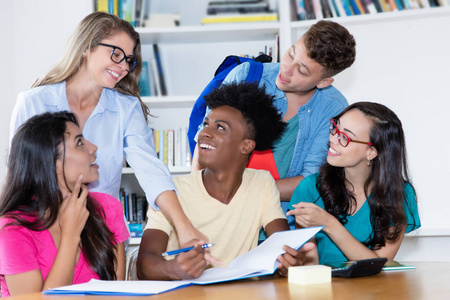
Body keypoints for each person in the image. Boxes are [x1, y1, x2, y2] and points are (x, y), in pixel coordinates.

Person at [9, 11, 204, 245]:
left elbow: (150, 170)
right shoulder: (33, 102)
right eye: (116, 54)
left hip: (102, 235)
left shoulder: (126, 108)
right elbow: (19, 174)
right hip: (43, 231)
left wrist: (183, 225)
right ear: (86, 47)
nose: (123, 67)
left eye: (129, 60)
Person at [136, 82, 314, 280]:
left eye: (220, 127)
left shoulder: (262, 183)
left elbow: (281, 245)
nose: (204, 132)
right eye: (206, 124)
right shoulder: (172, 191)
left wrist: (288, 261)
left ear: (246, 146)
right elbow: (144, 266)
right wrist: (173, 269)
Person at [192, 20, 357, 230]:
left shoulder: (333, 107)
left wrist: (239, 188)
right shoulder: (246, 76)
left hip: (281, 226)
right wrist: (195, 205)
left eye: (302, 71)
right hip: (220, 220)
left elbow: (311, 180)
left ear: (324, 82)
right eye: (291, 53)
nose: (287, 70)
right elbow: (205, 142)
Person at [0, 111, 129, 297]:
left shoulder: (108, 208)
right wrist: (70, 236)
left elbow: (117, 293)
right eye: (79, 143)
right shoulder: (13, 229)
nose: (93, 148)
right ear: (52, 163)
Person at [287, 102, 421, 265]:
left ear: (371, 152)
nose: (333, 139)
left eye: (345, 137)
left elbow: (380, 263)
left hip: (375, 289)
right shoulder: (310, 188)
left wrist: (329, 224)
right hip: (323, 288)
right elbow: (310, 266)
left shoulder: (400, 194)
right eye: (335, 127)